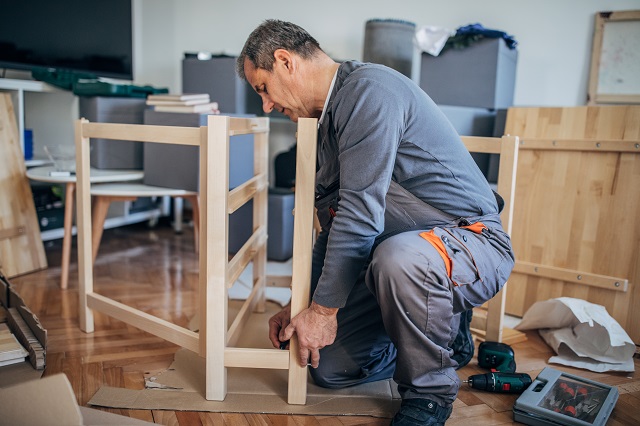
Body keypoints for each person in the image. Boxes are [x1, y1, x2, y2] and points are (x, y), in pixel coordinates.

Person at [236, 20, 514, 426]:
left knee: (398, 259)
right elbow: (334, 228)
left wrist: (324, 312)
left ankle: (429, 394)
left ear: (284, 61)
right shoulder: (327, 124)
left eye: (262, 88)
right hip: (397, 254)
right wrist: (304, 305)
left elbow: (360, 216)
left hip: (469, 243)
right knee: (328, 367)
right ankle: (436, 332)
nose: (266, 104)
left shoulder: (369, 92)